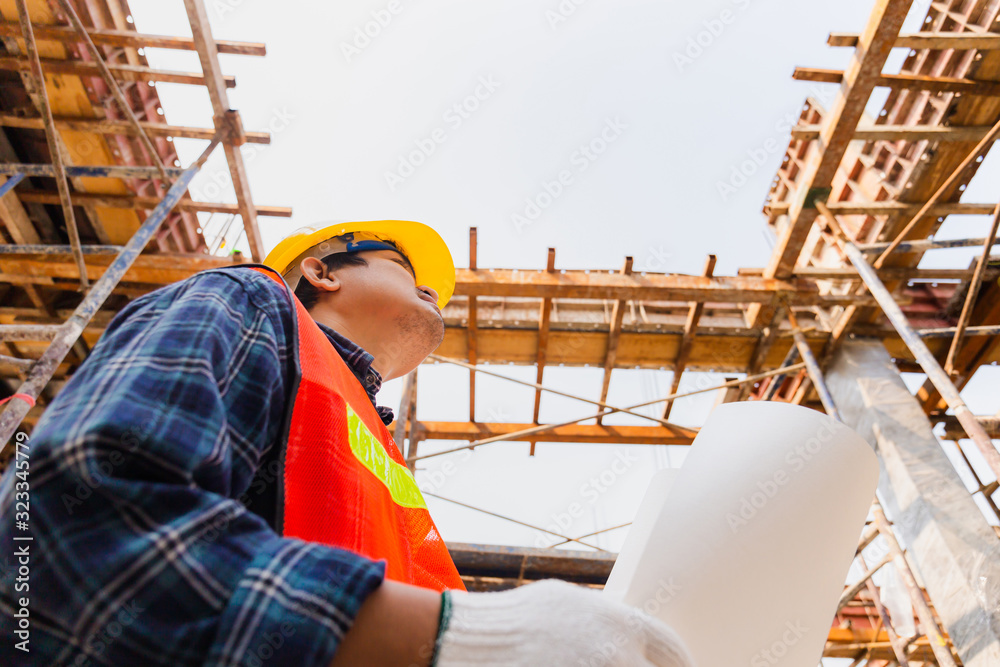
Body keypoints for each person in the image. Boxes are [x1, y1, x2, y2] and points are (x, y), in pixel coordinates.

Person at [0, 220, 694, 666]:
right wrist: (478, 636)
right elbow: (74, 524)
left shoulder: (381, 452)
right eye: (401, 264)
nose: (430, 288)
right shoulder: (248, 304)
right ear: (325, 272)